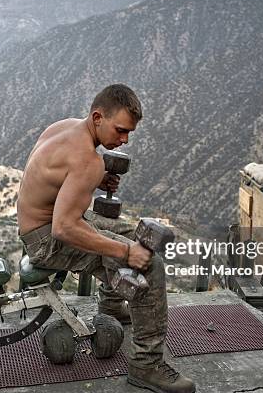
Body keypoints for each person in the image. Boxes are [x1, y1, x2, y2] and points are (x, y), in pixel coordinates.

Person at [16, 84, 195, 393]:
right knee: (148, 264)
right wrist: (125, 254)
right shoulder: (88, 160)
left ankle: (111, 308)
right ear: (98, 117)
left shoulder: (66, 127)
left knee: (131, 234)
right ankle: (147, 365)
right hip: (48, 241)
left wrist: (94, 180)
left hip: (38, 228)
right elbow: (64, 228)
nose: (124, 140)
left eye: (129, 133)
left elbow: (55, 177)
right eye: (121, 130)